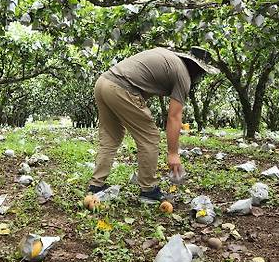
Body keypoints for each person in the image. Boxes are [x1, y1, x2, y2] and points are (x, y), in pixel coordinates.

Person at [87, 47, 219, 203]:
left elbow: (141, 86)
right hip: (120, 88)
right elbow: (174, 116)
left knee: (111, 136)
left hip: (103, 82)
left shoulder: (167, 59)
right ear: (196, 68)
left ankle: (96, 186)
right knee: (150, 136)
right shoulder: (183, 75)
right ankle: (148, 190)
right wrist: (173, 153)